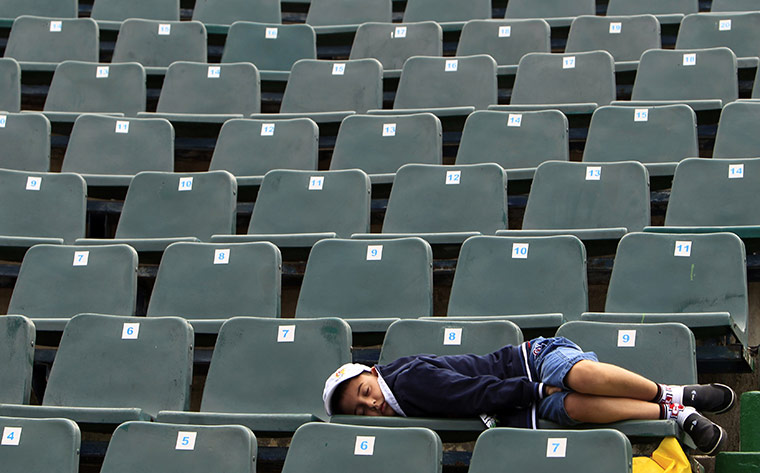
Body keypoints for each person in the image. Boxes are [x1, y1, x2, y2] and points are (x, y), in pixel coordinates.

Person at [323, 337, 734, 455]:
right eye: (361, 410)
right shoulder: (397, 410)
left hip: (528, 367)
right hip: (520, 403)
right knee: (575, 408)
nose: (371, 405)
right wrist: (530, 396)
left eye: (365, 391)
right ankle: (675, 411)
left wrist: (532, 387)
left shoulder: (406, 380)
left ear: (373, 373)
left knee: (578, 375)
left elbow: (470, 391)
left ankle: (672, 393)